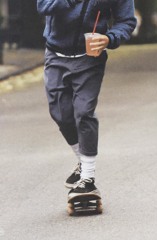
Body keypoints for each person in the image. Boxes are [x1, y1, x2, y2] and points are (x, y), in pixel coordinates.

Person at [37, 0, 137, 199]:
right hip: (56, 55)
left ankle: (88, 179)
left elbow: (127, 21)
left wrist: (109, 38)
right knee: (61, 114)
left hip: (90, 58)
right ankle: (82, 162)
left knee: (84, 112)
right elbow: (44, 6)